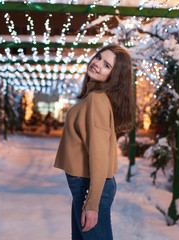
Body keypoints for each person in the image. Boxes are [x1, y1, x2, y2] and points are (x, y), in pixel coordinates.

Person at [54, 45, 135, 240]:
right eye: (98, 58)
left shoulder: (97, 100)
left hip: (90, 187)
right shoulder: (93, 96)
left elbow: (99, 155)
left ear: (114, 76)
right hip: (84, 187)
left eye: (106, 65)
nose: (97, 64)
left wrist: (92, 204)